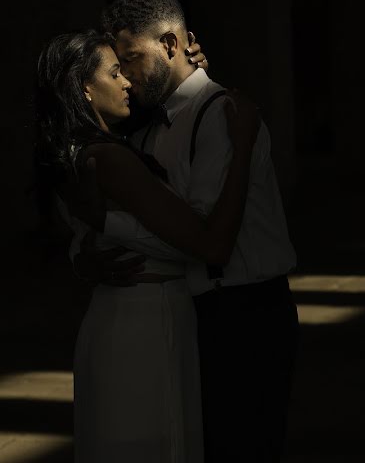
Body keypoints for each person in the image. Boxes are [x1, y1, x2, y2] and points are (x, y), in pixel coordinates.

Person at [34, 30, 262, 462]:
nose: (127, 84)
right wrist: (243, 147)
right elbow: (212, 245)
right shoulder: (111, 159)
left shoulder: (78, 152)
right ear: (84, 87)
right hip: (147, 319)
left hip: (120, 313)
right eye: (116, 72)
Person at [96, 0, 299, 462]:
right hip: (192, 314)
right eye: (118, 64)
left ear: (170, 45)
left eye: (130, 58)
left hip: (245, 314)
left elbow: (208, 237)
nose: (124, 75)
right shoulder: (146, 122)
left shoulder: (222, 114)